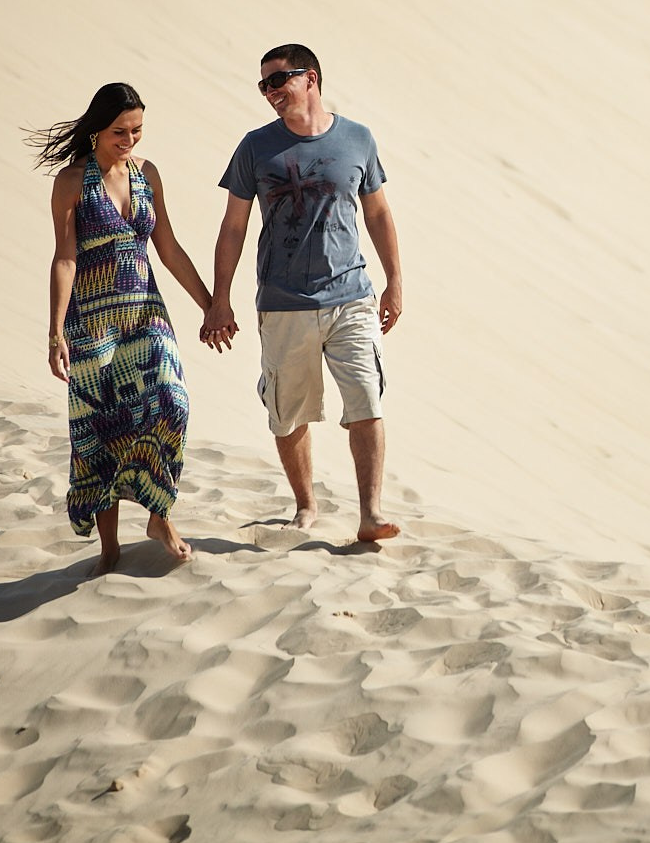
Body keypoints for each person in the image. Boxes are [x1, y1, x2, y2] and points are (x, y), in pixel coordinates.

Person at [204, 44, 404, 543]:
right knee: (288, 412)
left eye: (279, 80)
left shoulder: (357, 138)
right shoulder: (256, 147)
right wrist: (219, 298)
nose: (271, 92)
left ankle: (371, 513)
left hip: (351, 294)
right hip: (283, 299)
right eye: (264, 85)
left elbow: (377, 212)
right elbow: (233, 226)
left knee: (366, 400)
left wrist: (394, 280)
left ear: (310, 78)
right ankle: (305, 505)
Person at [33, 83, 216, 574]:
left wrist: (210, 304)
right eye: (120, 131)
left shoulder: (146, 174)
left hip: (144, 314)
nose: (130, 139)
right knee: (102, 428)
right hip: (92, 321)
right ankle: (109, 547)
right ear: (97, 128)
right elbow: (65, 257)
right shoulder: (72, 181)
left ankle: (160, 517)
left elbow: (169, 247)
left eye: (137, 130)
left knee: (171, 403)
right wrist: (55, 332)